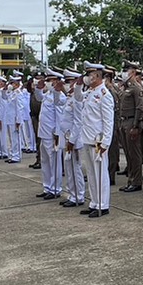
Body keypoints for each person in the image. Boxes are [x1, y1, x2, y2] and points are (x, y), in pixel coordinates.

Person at [77, 62, 115, 217]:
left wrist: (106, 142)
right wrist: (79, 85)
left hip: (97, 141)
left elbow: (108, 121)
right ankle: (94, 202)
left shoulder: (104, 94)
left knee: (100, 173)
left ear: (97, 76)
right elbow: (78, 98)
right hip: (86, 138)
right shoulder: (90, 92)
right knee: (91, 174)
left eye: (89, 75)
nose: (87, 77)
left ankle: (102, 205)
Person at [115, 61, 143, 194]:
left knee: (135, 154)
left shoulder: (136, 88)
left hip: (131, 122)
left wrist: (135, 126)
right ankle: (131, 179)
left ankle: (136, 181)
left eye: (126, 70)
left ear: (133, 72)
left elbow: (139, 108)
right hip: (123, 122)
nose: (124, 73)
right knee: (128, 153)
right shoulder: (126, 87)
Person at [59, 70, 88, 210]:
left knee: (75, 169)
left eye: (70, 81)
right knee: (68, 168)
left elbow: (78, 122)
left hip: (74, 139)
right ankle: (72, 194)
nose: (67, 84)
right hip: (67, 137)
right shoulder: (69, 97)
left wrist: (72, 140)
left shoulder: (77, 99)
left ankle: (79, 196)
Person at [36, 71, 63, 200]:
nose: (47, 82)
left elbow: (59, 116)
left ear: (56, 81)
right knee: (45, 161)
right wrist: (38, 88)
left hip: (52, 134)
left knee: (54, 162)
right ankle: (47, 187)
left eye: (50, 80)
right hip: (43, 133)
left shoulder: (59, 96)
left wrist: (57, 134)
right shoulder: (48, 94)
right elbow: (38, 97)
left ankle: (55, 188)